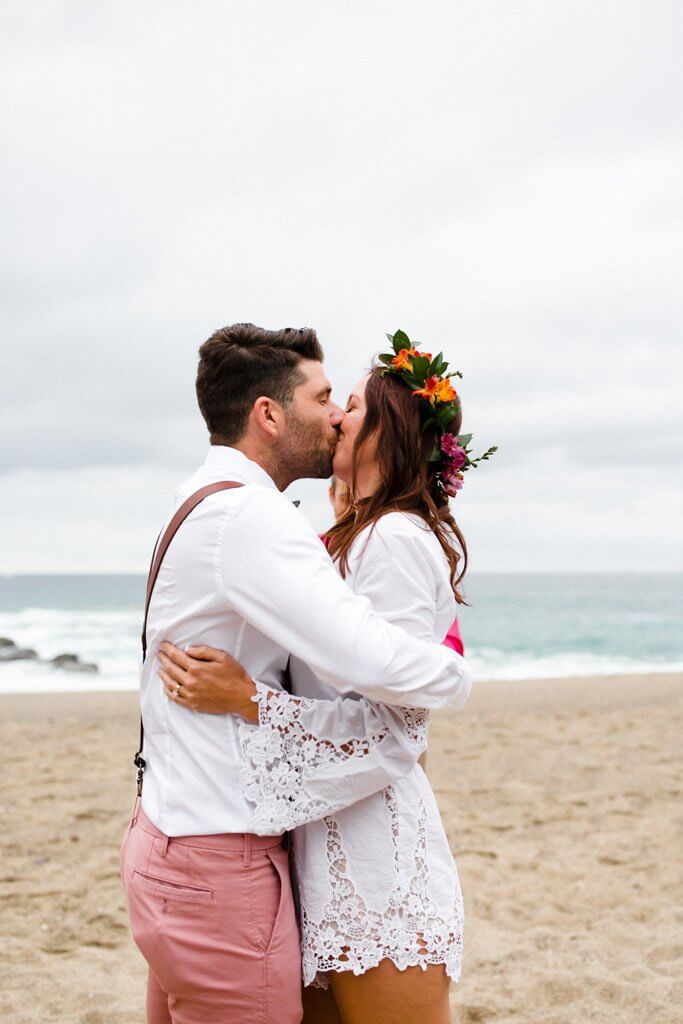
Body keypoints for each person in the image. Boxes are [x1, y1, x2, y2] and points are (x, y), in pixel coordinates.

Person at [120, 324, 472, 1024]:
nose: (337, 415)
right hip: (250, 844)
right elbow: (372, 664)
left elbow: (391, 719)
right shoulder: (257, 519)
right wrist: (452, 675)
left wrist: (253, 701)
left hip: (317, 838)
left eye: (351, 406)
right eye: (325, 398)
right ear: (269, 413)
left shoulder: (360, 533)